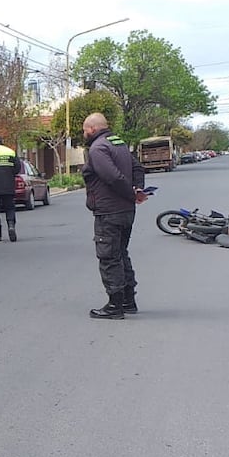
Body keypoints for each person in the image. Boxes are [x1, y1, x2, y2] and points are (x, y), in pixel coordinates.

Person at [81, 112, 148, 320]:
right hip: (126, 210)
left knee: (109, 257)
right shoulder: (118, 143)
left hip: (109, 211)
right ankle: (128, 300)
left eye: (84, 130)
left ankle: (115, 305)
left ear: (92, 129)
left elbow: (113, 178)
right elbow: (137, 168)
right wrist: (137, 189)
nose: (84, 134)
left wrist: (131, 193)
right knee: (120, 253)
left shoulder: (98, 148)